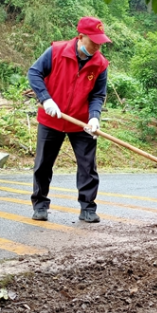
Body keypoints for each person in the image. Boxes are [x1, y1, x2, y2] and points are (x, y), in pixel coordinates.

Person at [28, 16, 110, 223]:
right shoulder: (56, 51)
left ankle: (88, 208)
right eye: (93, 42)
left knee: (87, 166)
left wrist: (94, 118)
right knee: (43, 164)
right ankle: (40, 204)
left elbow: (98, 95)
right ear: (81, 37)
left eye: (100, 43)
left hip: (82, 123)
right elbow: (35, 73)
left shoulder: (100, 64)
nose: (97, 47)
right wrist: (46, 99)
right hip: (51, 118)